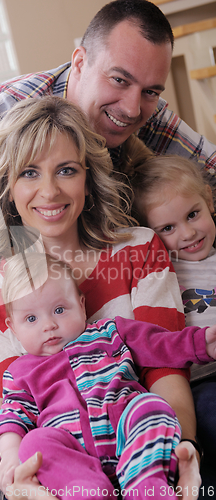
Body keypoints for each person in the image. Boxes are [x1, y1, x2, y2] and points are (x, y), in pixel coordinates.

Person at [0, 0, 216, 363]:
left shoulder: (139, 104)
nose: (133, 108)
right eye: (118, 80)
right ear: (79, 62)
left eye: (151, 91)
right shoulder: (0, 121)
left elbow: (210, 169)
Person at [0, 96, 201, 496]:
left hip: (146, 448)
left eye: (66, 170)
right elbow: (14, 404)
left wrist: (182, 449)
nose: (50, 191)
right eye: (29, 173)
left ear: (88, 180)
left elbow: (164, 368)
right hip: (57, 468)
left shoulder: (139, 249)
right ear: (7, 188)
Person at [0, 252, 216, 500]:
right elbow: (12, 415)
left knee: (152, 406)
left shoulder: (110, 332)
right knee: (34, 443)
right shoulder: (20, 371)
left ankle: (148, 484)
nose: (48, 325)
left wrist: (202, 343)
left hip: (126, 427)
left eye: (59, 309)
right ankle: (85, 490)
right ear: (13, 328)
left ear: (81, 304)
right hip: (72, 447)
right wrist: (11, 456)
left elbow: (159, 343)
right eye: (31, 318)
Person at [126, 140, 216, 491]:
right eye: (168, 228)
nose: (188, 233)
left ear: (209, 201)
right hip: (196, 384)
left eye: (193, 214)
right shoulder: (163, 273)